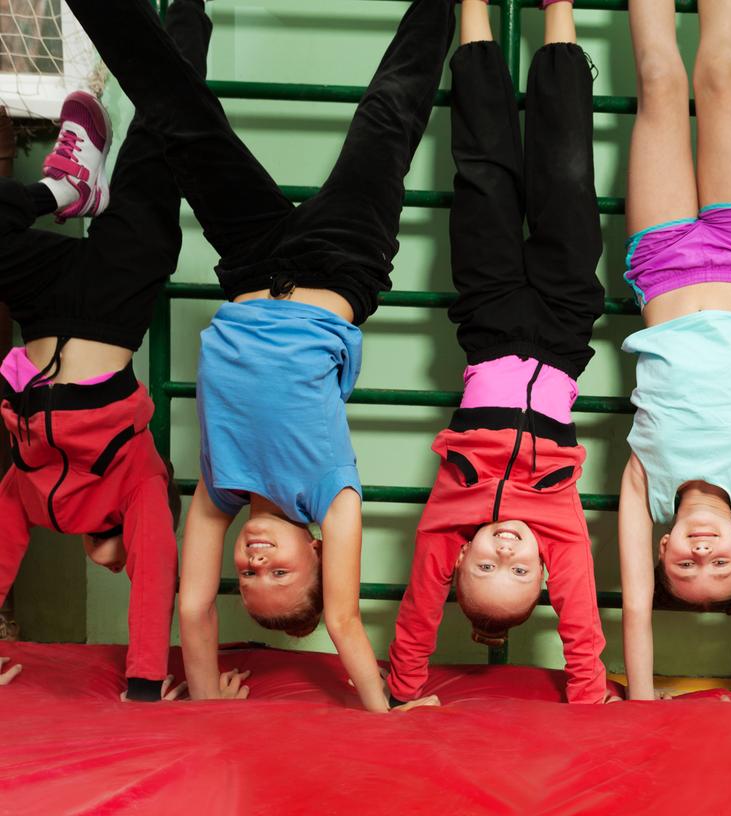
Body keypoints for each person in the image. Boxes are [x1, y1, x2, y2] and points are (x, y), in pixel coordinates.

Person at [64, 0, 455, 712]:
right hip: (341, 264)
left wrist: (209, 694)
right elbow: (342, 620)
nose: (257, 566)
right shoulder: (334, 499)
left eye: (248, 582)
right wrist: (386, 706)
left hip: (248, 265)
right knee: (389, 115)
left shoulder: (221, 495)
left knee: (180, 115)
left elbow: (190, 611)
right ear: (315, 554)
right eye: (281, 576)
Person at [385, 0, 610, 707]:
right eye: (519, 573)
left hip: (487, 320)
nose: (505, 555)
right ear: (546, 573)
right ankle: (559, 11)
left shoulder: (449, 519)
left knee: (482, 173)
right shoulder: (561, 531)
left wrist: (406, 689)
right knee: (566, 174)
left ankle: (473, 8)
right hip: (565, 323)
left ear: (457, 562)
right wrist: (590, 695)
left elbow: (419, 615)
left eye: (485, 567)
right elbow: (582, 629)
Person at [0, 0, 212, 701]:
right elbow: (154, 574)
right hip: (116, 305)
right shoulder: (141, 482)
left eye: (107, 562)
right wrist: (145, 682)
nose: (113, 562)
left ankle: (64, 187)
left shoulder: (28, 499)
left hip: (41, 304)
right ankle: (190, 8)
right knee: (162, 133)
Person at [616, 0, 731, 703]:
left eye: (685, 568)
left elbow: (634, 610)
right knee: (719, 76)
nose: (700, 554)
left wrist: (642, 698)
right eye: (719, 564)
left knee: (660, 77)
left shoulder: (645, 490)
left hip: (660, 264)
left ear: (661, 551)